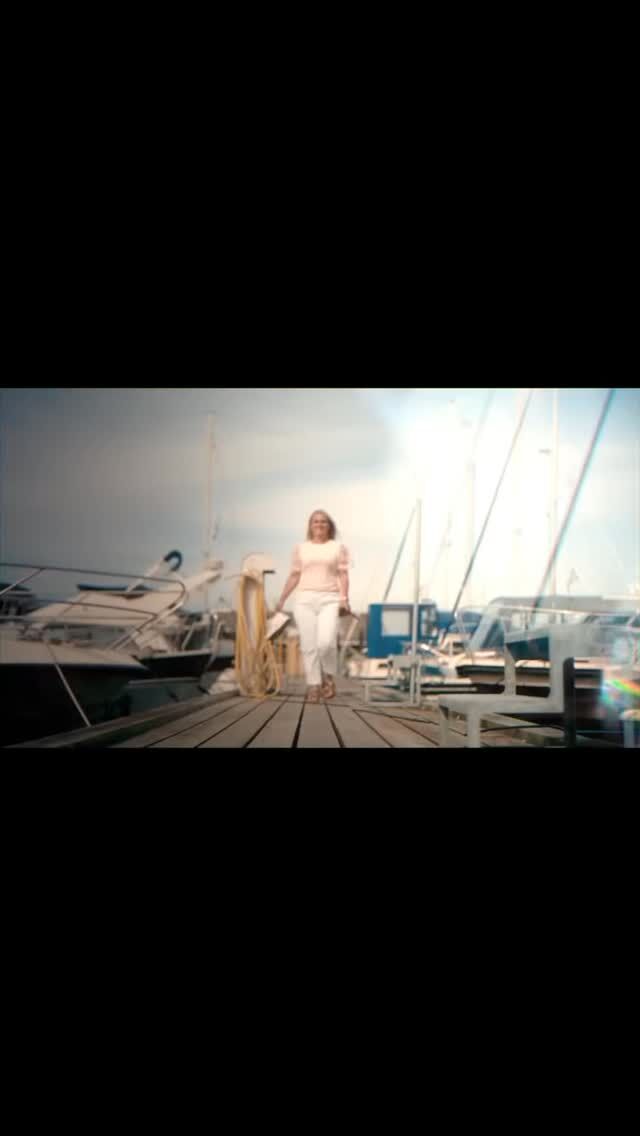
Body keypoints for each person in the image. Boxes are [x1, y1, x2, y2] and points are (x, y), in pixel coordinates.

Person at [276, 509, 350, 702]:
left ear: (329, 526)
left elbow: (343, 574)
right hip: (304, 599)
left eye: (323, 521)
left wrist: (344, 598)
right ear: (310, 526)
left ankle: (328, 677)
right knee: (308, 645)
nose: (319, 524)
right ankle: (314, 685)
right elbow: (294, 575)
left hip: (330, 598)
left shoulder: (337, 548)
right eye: (315, 521)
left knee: (326, 642)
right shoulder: (301, 548)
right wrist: (282, 598)